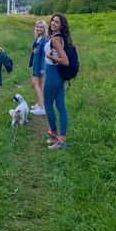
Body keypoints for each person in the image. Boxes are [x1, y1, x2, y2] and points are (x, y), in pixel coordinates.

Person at [44, 13, 71, 150]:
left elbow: (65, 61)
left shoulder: (56, 39)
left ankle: (54, 135)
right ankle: (62, 140)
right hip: (58, 75)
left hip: (53, 74)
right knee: (61, 106)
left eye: (57, 22)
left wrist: (49, 56)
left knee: (47, 104)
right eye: (52, 21)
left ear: (61, 25)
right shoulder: (58, 37)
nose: (53, 23)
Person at [29, 20, 47, 115]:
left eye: (41, 27)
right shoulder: (38, 37)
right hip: (35, 64)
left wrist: (43, 69)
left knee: (34, 84)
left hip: (40, 66)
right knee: (38, 84)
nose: (39, 29)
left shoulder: (44, 40)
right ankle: (40, 103)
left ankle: (42, 108)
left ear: (44, 29)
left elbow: (44, 56)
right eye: (37, 27)